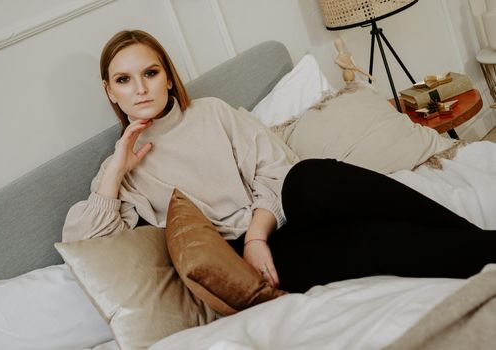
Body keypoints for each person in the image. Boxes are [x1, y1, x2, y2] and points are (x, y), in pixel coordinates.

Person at [63, 30, 496, 294]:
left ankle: (477, 237)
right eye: (124, 80)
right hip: (247, 261)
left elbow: (276, 170)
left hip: (272, 222)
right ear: (110, 91)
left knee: (311, 175)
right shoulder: (119, 171)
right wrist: (116, 169)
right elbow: (85, 248)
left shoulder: (211, 113)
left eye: (150, 73)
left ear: (168, 76)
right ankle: (485, 249)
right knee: (367, 240)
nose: (140, 88)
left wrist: (256, 234)